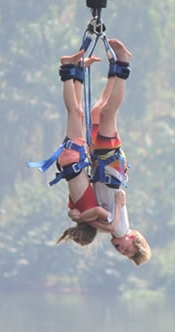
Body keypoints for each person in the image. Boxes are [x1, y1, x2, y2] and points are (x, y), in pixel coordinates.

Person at [71, 38, 152, 266]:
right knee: (108, 113)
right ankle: (124, 64)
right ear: (133, 238)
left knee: (97, 111)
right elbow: (105, 223)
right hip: (110, 165)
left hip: (103, 166)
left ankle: (114, 69)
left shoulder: (117, 230)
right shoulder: (119, 228)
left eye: (121, 253)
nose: (120, 250)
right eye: (126, 250)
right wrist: (80, 217)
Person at [50, 49, 111, 247]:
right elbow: (72, 210)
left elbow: (104, 213)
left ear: (91, 228)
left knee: (74, 113)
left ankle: (67, 69)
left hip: (73, 159)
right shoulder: (77, 211)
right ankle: (79, 69)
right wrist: (75, 216)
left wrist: (109, 225)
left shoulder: (87, 214)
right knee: (79, 114)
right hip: (70, 162)